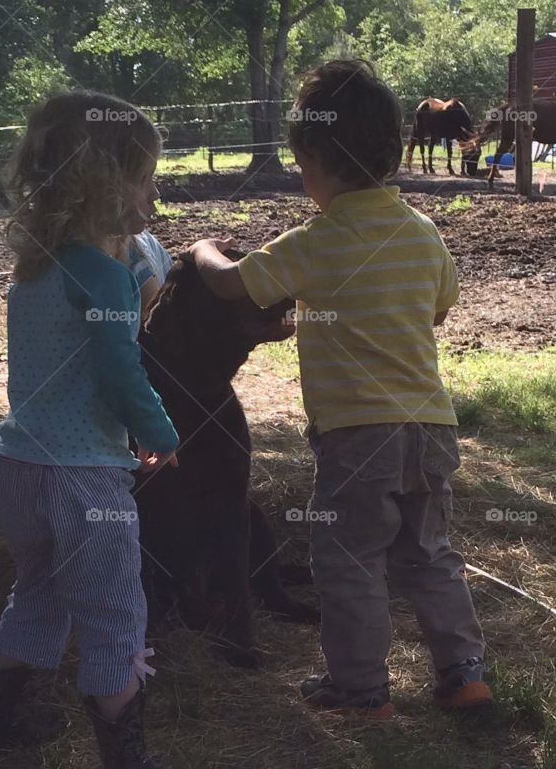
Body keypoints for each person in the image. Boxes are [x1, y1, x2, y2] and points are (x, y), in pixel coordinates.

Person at [190, 60, 489, 718]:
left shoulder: (317, 240)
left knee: (349, 557)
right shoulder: (423, 232)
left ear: (315, 160)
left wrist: (203, 250)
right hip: (430, 429)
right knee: (429, 554)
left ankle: (359, 686)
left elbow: (232, 285)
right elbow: (437, 309)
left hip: (357, 436)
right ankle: (464, 670)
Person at [0, 90, 179, 769]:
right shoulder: (106, 272)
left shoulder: (34, 269)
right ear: (104, 183)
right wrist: (159, 433)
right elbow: (121, 368)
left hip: (18, 464)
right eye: (146, 177)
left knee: (39, 592)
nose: (155, 193)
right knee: (115, 612)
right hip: (86, 478)